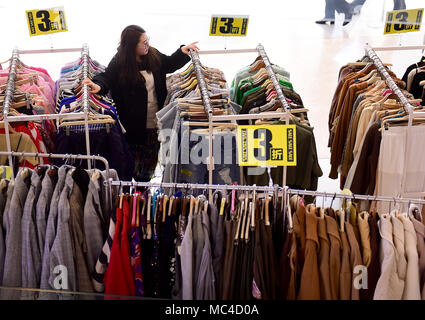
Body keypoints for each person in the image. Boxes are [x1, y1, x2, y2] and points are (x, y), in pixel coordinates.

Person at [83, 25, 198, 181]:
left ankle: (142, 197)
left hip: (154, 123)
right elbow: (107, 78)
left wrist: (182, 51)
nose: (147, 45)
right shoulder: (120, 62)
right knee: (130, 166)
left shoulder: (153, 55)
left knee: (147, 169)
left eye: (147, 40)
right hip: (131, 128)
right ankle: (129, 198)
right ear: (131, 46)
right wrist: (97, 85)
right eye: (143, 43)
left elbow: (169, 63)